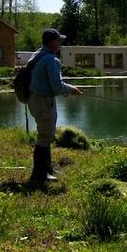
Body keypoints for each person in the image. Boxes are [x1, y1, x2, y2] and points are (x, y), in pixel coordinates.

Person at [27, 28, 82, 185]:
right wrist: (72, 90)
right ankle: (39, 176)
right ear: (52, 42)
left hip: (34, 99)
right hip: (44, 101)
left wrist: (70, 88)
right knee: (44, 137)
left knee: (45, 134)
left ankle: (47, 169)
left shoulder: (38, 54)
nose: (60, 44)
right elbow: (57, 86)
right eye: (59, 41)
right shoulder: (51, 60)